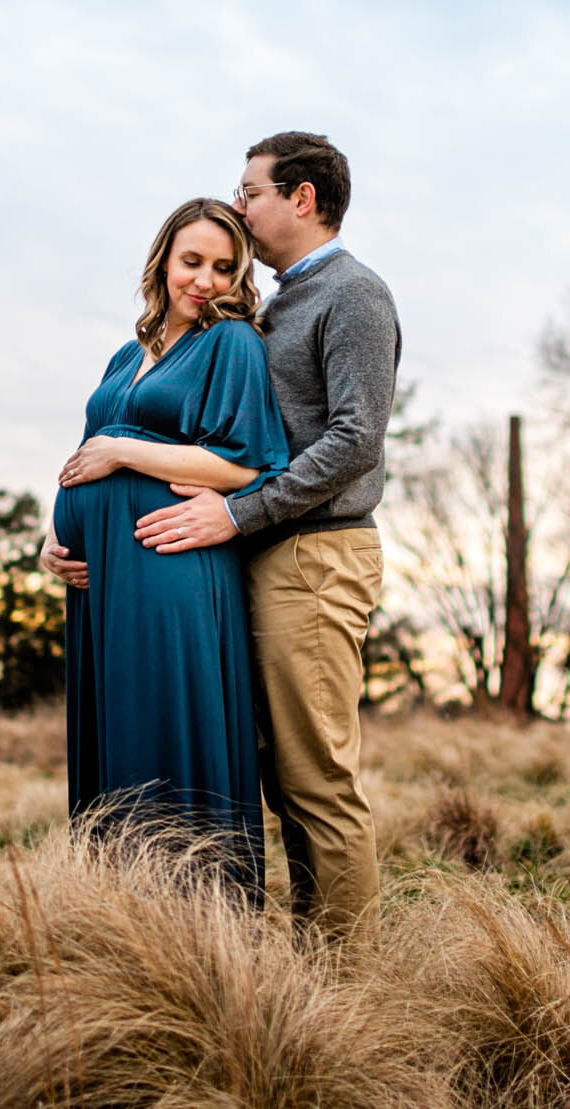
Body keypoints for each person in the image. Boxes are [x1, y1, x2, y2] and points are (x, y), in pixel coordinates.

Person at [134, 132, 399, 941]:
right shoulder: (274, 304)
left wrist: (239, 513)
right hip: (261, 557)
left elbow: (356, 438)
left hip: (317, 557)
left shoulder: (354, 294)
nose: (240, 205)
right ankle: (295, 960)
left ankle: (343, 991)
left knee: (315, 781)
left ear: (303, 199)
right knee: (273, 779)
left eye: (250, 192)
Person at [40, 198, 288, 901]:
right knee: (113, 736)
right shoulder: (127, 353)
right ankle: (120, 926)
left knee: (162, 733)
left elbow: (248, 465)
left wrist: (125, 449)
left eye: (222, 267)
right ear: (163, 263)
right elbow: (85, 459)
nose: (204, 280)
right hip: (100, 583)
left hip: (170, 563)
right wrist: (52, 540)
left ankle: (196, 922)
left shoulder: (233, 343)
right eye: (191, 262)